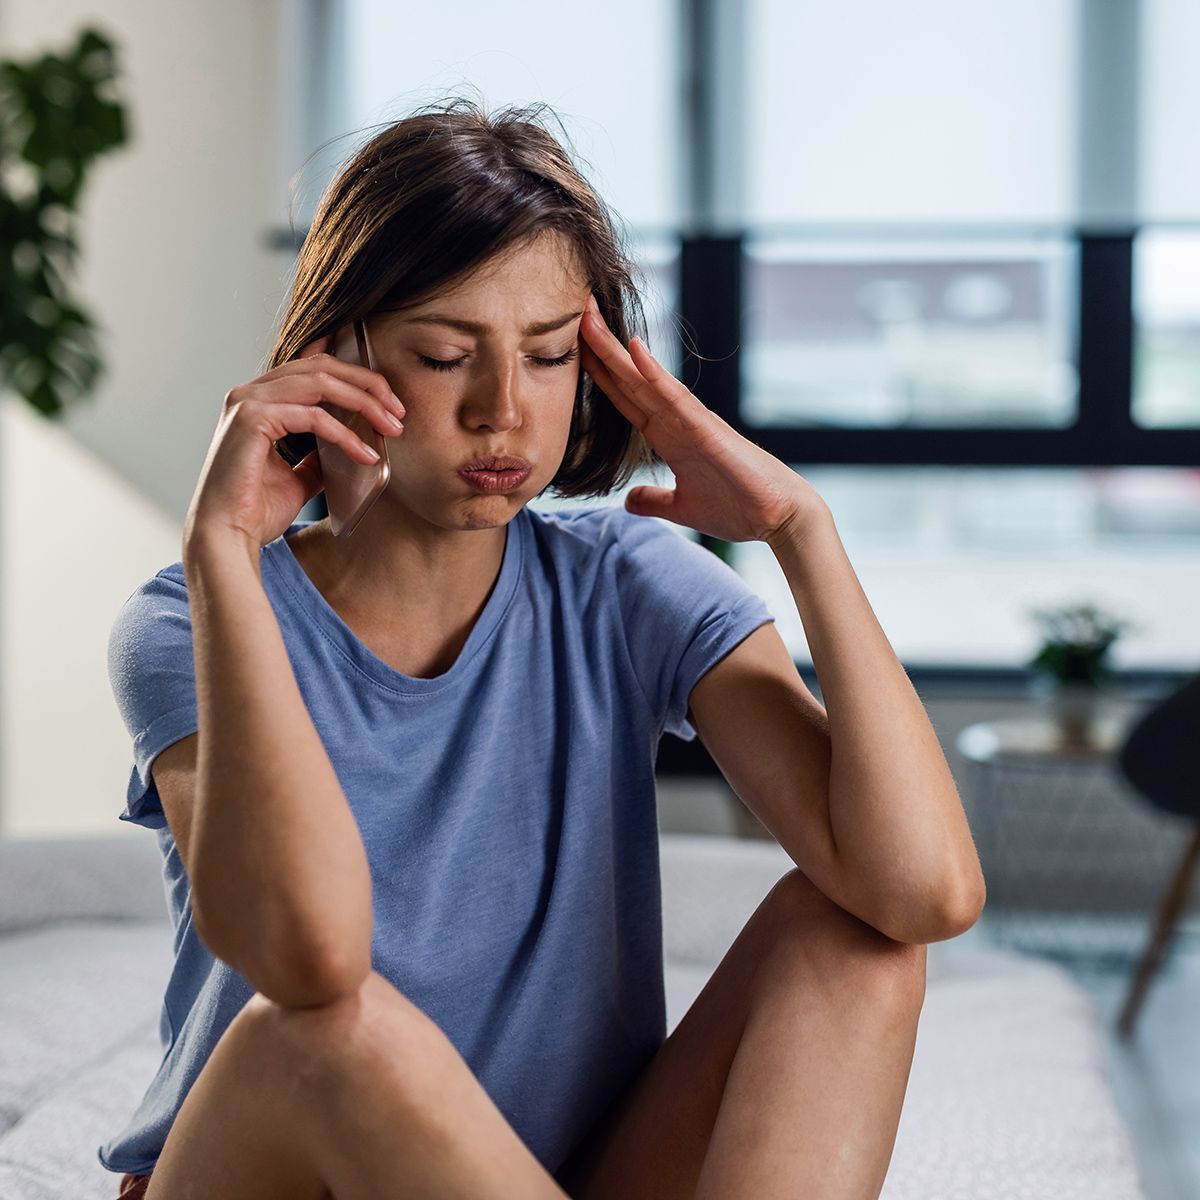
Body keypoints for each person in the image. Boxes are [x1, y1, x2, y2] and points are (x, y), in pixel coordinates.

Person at [100, 96, 973, 1200]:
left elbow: (924, 894)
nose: (503, 409)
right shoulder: (186, 620)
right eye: (444, 354)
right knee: (329, 1030)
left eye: (550, 354)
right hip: (278, 1173)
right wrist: (224, 549)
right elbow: (311, 960)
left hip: (562, 1176)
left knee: (857, 940)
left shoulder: (627, 582)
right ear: (336, 352)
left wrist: (803, 530)